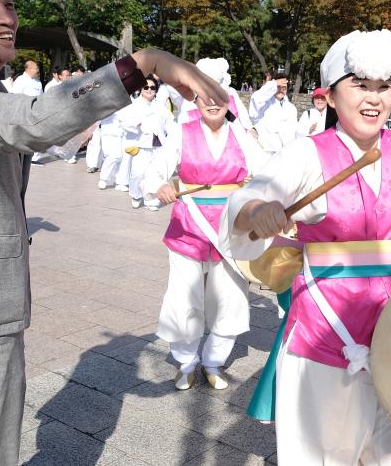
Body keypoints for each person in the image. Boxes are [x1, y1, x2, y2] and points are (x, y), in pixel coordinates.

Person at [0, 0, 226, 466]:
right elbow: (24, 122)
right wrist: (144, 63)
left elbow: (8, 140)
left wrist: (65, 138)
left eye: (9, 3)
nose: (7, 16)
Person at [219, 30, 391, 465]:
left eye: (383, 87)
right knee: (324, 456)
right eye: (359, 86)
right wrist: (259, 212)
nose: (374, 99)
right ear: (330, 97)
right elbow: (248, 198)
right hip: (325, 332)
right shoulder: (307, 154)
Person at [143, 92, 268, 391]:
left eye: (219, 99)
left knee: (230, 297)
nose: (212, 104)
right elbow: (156, 170)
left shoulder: (241, 135)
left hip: (231, 226)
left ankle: (213, 362)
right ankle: (186, 362)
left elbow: (269, 173)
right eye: (205, 98)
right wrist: (160, 184)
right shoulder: (182, 132)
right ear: (196, 102)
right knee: (184, 296)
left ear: (229, 103)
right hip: (189, 225)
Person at [120, 74, 174, 209]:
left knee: (155, 174)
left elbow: (170, 122)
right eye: (146, 87)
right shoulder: (133, 105)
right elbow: (124, 122)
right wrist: (135, 124)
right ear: (141, 88)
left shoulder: (161, 106)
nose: (149, 90)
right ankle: (136, 194)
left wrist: (172, 135)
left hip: (159, 146)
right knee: (138, 173)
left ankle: (151, 200)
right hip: (141, 145)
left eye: (152, 87)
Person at [249, 72, 298, 152]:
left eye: (284, 88)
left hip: (285, 153)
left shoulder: (292, 108)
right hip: (265, 152)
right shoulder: (263, 104)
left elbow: (294, 131)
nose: (281, 90)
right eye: (278, 87)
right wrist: (273, 83)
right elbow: (255, 99)